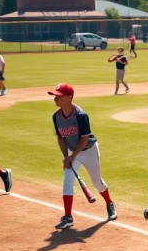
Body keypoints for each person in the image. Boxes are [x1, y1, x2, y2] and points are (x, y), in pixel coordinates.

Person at [48, 83, 117, 230]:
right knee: (67, 180)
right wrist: (66, 156)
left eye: (58, 96)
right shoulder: (56, 116)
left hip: (89, 150)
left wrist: (72, 157)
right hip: (74, 153)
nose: (55, 99)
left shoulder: (80, 115)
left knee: (97, 182)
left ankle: (110, 203)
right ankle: (68, 217)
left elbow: (85, 138)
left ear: (69, 97)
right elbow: (60, 138)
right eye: (55, 96)